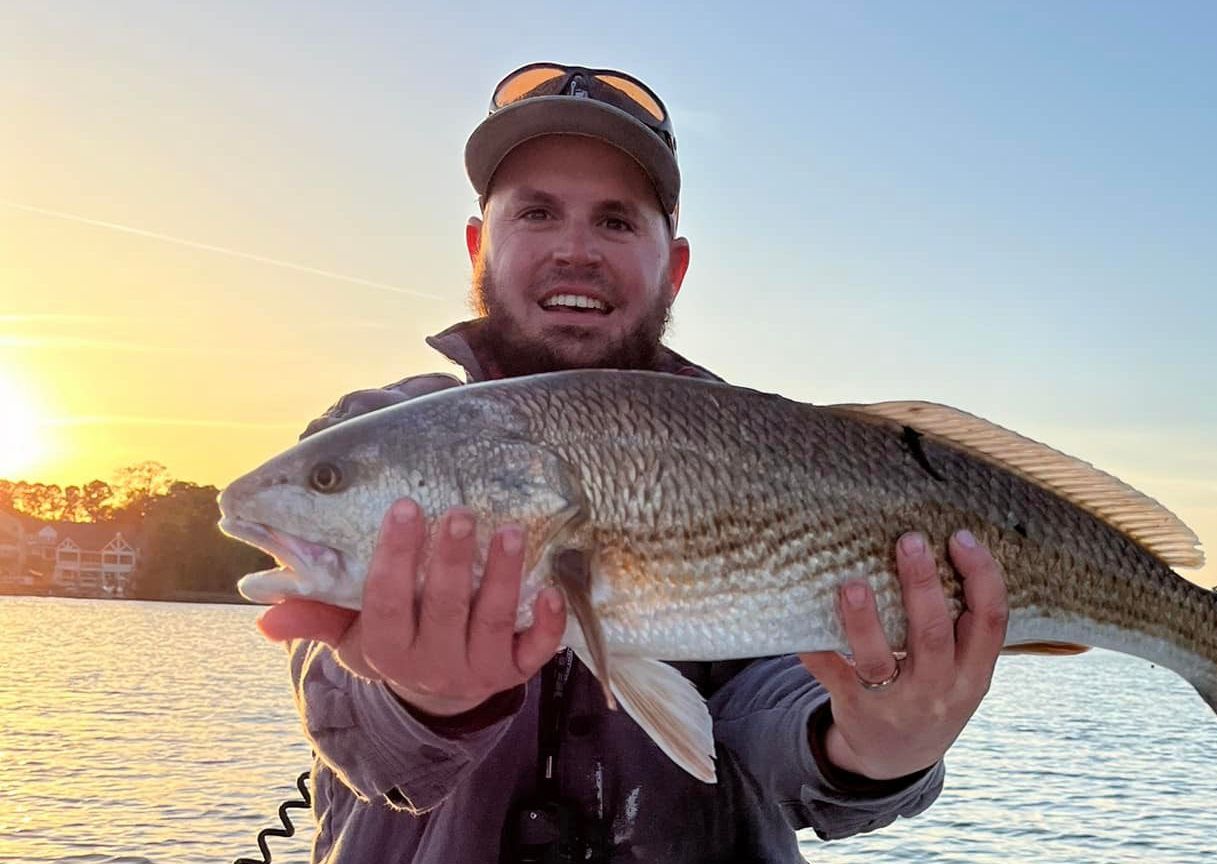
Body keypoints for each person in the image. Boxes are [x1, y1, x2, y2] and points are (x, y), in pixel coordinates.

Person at [256, 62, 1011, 863]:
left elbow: (771, 717)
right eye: (537, 213)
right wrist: (419, 700)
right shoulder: (372, 430)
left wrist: (872, 746)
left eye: (616, 221)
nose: (575, 251)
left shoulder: (761, 451)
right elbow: (349, 723)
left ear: (673, 266)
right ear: (480, 245)